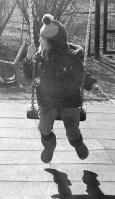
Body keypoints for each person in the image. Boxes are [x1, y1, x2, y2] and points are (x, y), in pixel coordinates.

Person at [23, 14, 89, 163]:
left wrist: (92, 84)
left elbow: (81, 75)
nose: (40, 41)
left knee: (72, 132)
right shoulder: (40, 57)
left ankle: (77, 143)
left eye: (43, 39)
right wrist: (28, 58)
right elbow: (29, 75)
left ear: (53, 43)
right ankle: (49, 145)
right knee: (43, 127)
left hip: (69, 101)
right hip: (47, 102)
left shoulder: (71, 58)